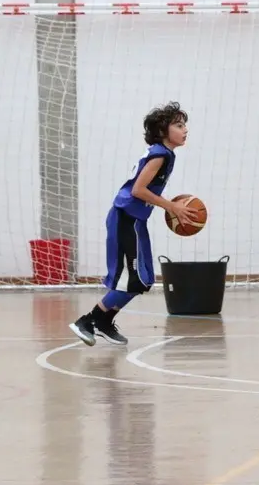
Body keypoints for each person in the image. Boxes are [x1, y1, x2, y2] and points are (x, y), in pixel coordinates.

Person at [69, 102, 198, 346]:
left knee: (144, 279)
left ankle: (104, 321)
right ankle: (87, 321)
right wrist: (172, 207)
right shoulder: (160, 155)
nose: (185, 130)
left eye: (184, 125)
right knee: (132, 280)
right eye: (179, 125)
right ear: (162, 131)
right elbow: (138, 190)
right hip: (125, 219)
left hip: (136, 221)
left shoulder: (165, 154)